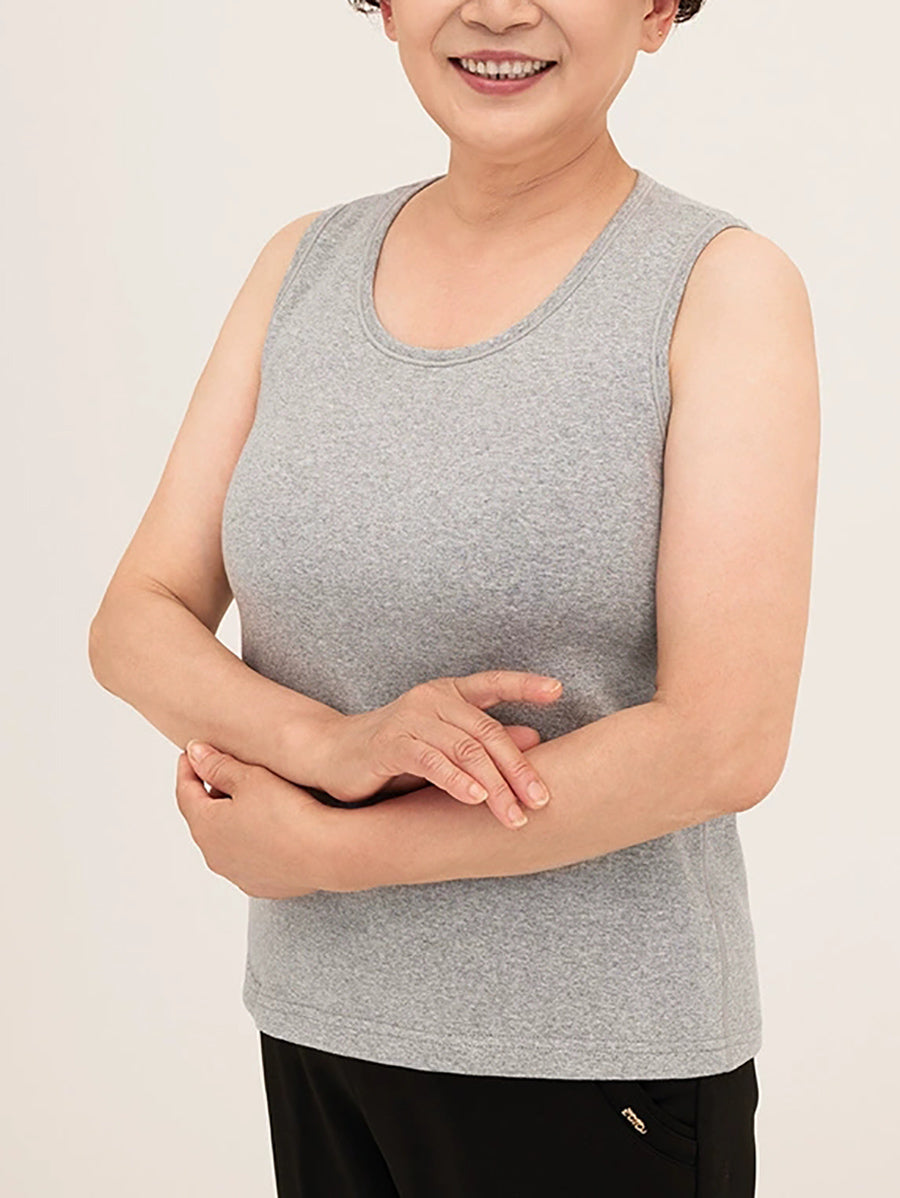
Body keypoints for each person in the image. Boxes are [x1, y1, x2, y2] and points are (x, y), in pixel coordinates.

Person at [88, 1, 820, 1195]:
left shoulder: (720, 286)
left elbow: (724, 740)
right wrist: (331, 746)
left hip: (595, 1070)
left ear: (655, 11)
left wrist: (335, 850)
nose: (497, 9)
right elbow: (137, 616)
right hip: (322, 1029)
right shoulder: (302, 266)